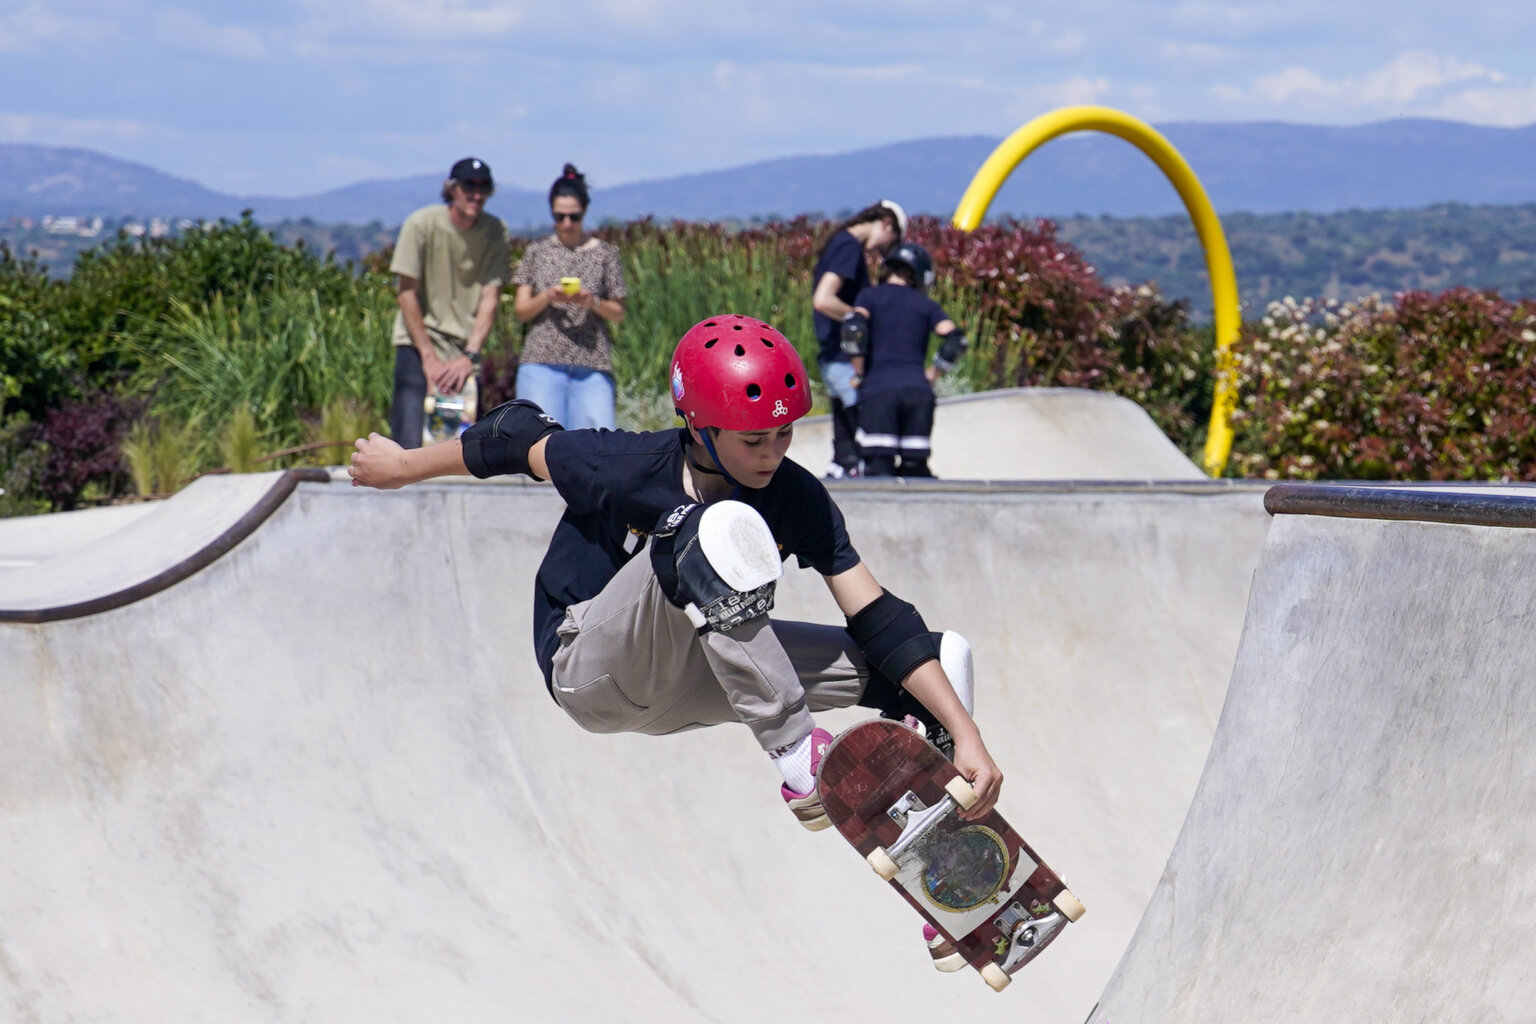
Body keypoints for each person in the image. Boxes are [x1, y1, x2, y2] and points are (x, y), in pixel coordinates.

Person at [349, 313, 1000, 972]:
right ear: (699, 427)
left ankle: (952, 879)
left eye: (784, 433)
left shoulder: (798, 496)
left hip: (703, 675)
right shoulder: (623, 465)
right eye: (753, 440)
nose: (772, 454)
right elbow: (516, 437)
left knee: (935, 666)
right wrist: (400, 466)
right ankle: (797, 754)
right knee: (706, 531)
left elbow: (880, 618)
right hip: (591, 665)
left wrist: (964, 732)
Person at [388, 157, 511, 449]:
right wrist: (428, 358)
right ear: (452, 189)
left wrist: (469, 356)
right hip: (418, 344)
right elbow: (406, 294)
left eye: (483, 188)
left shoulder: (495, 230)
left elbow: (490, 297)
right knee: (409, 446)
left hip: (464, 351)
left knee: (460, 448)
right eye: (469, 187)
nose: (476, 195)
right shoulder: (421, 224)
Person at [512, 164, 628, 429]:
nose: (566, 223)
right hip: (541, 360)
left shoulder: (605, 253)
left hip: (592, 362)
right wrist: (547, 297)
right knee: (539, 437)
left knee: (597, 438)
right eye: (559, 216)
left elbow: (619, 313)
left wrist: (592, 302)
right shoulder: (537, 251)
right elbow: (521, 311)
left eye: (573, 217)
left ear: (584, 212)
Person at [843, 242, 969, 477]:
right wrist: (933, 374)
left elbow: (853, 330)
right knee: (915, 469)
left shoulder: (869, 297)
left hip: (879, 391)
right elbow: (956, 341)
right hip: (917, 394)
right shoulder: (926, 305)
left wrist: (859, 373)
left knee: (879, 469)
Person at [810, 200, 907, 478]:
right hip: (844, 356)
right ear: (886, 224)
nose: (884, 251)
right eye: (891, 242)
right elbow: (824, 299)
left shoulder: (842, 243)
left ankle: (843, 465)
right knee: (863, 417)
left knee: (844, 426)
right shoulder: (849, 247)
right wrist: (861, 319)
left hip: (832, 354)